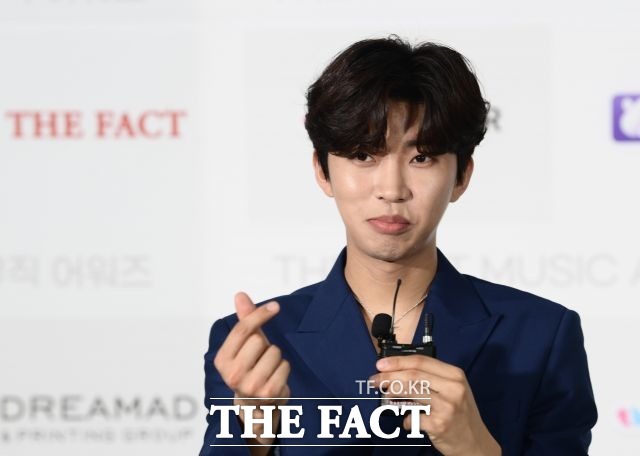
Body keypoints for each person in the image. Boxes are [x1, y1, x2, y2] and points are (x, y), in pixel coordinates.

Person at [200, 36, 597, 455]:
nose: (392, 189)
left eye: (421, 157)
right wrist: (252, 432)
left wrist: (476, 447)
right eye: (363, 155)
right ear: (322, 170)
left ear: (461, 176)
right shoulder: (256, 346)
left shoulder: (541, 336)